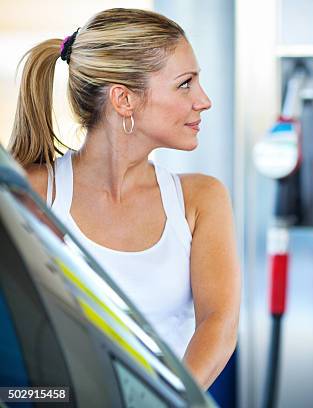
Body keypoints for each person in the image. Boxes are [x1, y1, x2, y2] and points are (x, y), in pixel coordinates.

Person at [8, 8, 240, 390]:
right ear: (124, 100)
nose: (204, 100)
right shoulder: (32, 195)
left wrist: (170, 403)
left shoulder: (201, 200)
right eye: (185, 84)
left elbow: (219, 324)